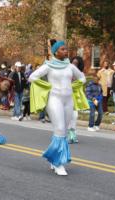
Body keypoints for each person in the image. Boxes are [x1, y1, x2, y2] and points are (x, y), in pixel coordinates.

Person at [29, 40, 86, 176]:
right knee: (60, 128)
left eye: (66, 49)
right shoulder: (48, 66)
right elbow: (32, 77)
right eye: (62, 49)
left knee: (63, 131)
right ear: (55, 52)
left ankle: (54, 158)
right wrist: (46, 87)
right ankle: (58, 163)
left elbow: (82, 77)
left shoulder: (70, 67)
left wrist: (76, 84)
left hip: (68, 100)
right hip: (54, 99)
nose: (66, 51)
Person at [67, 56, 85, 143]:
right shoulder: (67, 72)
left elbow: (81, 84)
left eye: (76, 63)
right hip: (66, 96)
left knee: (74, 115)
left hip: (76, 97)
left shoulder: (81, 74)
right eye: (73, 63)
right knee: (68, 116)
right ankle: (69, 135)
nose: (74, 65)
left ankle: (73, 133)